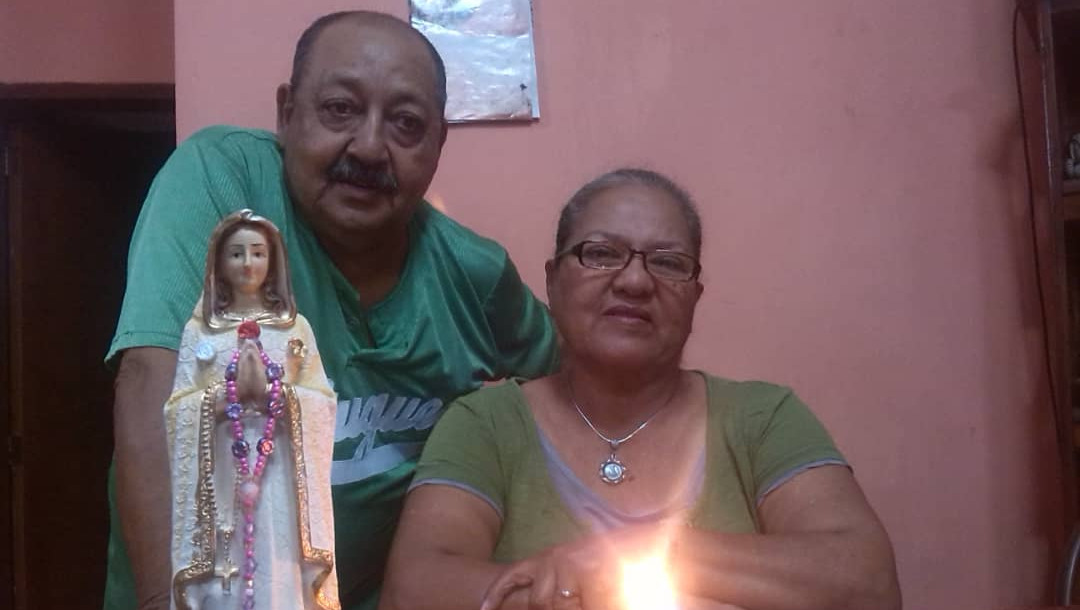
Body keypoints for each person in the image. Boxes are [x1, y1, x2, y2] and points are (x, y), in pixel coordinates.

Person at [104, 10, 558, 610]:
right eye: (340, 109)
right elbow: (154, 378)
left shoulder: (474, 275)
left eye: (406, 123)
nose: (369, 147)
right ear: (287, 113)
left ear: (438, 146)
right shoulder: (227, 186)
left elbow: (577, 388)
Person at [380, 169, 901, 610]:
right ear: (553, 282)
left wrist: (652, 554)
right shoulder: (486, 423)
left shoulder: (763, 417)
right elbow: (413, 591)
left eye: (668, 262)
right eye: (601, 253)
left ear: (695, 296)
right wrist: (578, 592)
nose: (634, 281)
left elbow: (868, 583)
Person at [167, 210, 338, 610]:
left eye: (258, 253)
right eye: (237, 254)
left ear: (272, 261)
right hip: (222, 468)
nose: (248, 264)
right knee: (225, 572)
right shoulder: (201, 331)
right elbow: (177, 409)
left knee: (278, 566)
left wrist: (273, 393)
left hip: (278, 469)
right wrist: (223, 398)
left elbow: (323, 403)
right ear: (220, 263)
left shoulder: (294, 329)